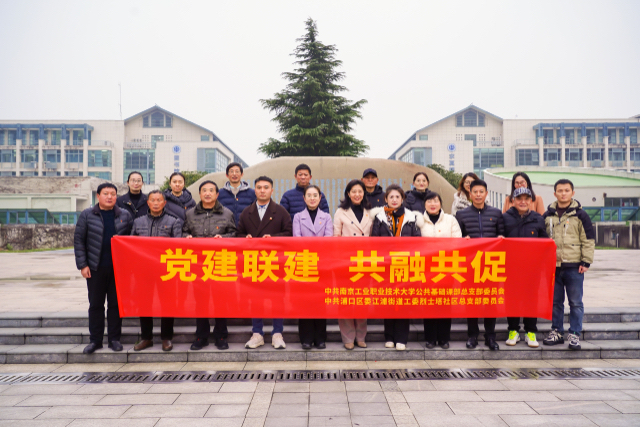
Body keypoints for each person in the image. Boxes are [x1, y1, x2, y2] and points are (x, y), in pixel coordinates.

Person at [74, 183, 133, 354]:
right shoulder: (87, 215)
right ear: (98, 196)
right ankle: (95, 340)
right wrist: (83, 265)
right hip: (95, 268)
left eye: (113, 194)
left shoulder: (124, 215)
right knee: (96, 305)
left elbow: (132, 240)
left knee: (115, 305)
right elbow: (79, 240)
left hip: (118, 269)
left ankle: (114, 339)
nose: (109, 197)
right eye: (105, 193)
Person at [237, 176, 293, 349]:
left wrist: (273, 238)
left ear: (272, 190)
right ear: (255, 190)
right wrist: (245, 237)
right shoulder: (247, 212)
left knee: (278, 298)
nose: (262, 190)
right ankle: (257, 333)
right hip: (254, 262)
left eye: (266, 187)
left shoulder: (281, 211)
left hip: (275, 262)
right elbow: (238, 234)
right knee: (255, 298)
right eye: (259, 187)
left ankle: (277, 333)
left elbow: (289, 234)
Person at [183, 180, 237, 351]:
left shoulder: (227, 213)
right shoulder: (190, 214)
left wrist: (224, 239)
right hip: (198, 265)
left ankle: (221, 335)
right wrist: (186, 237)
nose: (207, 193)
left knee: (221, 300)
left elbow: (234, 234)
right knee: (201, 301)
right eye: (204, 190)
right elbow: (184, 231)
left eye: (211, 190)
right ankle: (202, 336)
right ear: (200, 194)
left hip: (220, 263)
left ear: (217, 194)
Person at [542, 179, 595, 351]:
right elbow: (541, 239)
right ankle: (557, 332)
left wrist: (586, 261)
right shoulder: (547, 215)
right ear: (554, 193)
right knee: (555, 302)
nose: (563, 193)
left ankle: (574, 334)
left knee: (575, 303)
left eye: (566, 190)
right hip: (553, 266)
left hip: (574, 266)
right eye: (560, 190)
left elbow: (588, 239)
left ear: (573, 193)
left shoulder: (581, 215)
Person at [130, 190, 183, 352]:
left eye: (159, 200)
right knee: (144, 303)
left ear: (164, 203)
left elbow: (178, 246)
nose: (155, 203)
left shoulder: (173, 221)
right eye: (152, 200)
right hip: (144, 270)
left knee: (167, 303)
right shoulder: (138, 222)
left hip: (165, 270)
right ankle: (146, 338)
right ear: (148, 203)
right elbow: (131, 245)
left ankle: (166, 337)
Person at [455, 179, 505, 351]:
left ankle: (490, 336)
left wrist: (501, 238)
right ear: (470, 194)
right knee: (471, 301)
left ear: (486, 193)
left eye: (481, 192)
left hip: (491, 265)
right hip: (470, 265)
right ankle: (472, 336)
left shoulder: (496, 213)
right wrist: (463, 240)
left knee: (490, 301)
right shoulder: (461, 215)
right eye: (475, 192)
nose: (478, 195)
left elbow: (502, 235)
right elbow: (457, 239)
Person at [371, 185, 421, 351]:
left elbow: (417, 240)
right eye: (391, 197)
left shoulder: (411, 217)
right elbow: (374, 240)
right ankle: (389, 337)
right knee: (389, 301)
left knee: (403, 302)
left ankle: (401, 338)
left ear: (402, 199)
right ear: (385, 199)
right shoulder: (379, 217)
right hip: (386, 266)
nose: (394, 200)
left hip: (404, 265)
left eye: (397, 197)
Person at [503, 187, 549, 348]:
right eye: (519, 198)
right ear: (513, 201)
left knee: (531, 299)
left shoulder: (538, 219)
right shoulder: (505, 218)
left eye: (526, 198)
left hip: (532, 268)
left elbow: (545, 242)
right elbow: (499, 239)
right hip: (510, 268)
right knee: (512, 299)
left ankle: (531, 332)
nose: (523, 201)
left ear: (531, 201)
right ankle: (513, 330)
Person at [416, 192, 462, 349]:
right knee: (429, 304)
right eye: (429, 201)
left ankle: (444, 338)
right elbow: (415, 243)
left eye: (435, 201)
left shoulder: (450, 220)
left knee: (444, 303)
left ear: (440, 203)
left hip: (446, 267)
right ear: (424, 204)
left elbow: (457, 242)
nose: (432, 204)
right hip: (426, 269)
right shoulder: (418, 221)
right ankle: (430, 338)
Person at [333, 179, 374, 350]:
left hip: (365, 262)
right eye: (354, 191)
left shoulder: (370, 212)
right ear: (348, 194)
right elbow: (336, 237)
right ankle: (348, 337)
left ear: (364, 193)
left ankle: (361, 336)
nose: (357, 194)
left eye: (360, 191)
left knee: (362, 300)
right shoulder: (340, 212)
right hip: (346, 261)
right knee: (346, 299)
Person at [292, 185, 333, 350]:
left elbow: (328, 239)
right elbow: (297, 240)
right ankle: (306, 338)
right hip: (304, 264)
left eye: (315, 195)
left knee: (320, 302)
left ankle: (320, 338)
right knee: (305, 302)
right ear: (304, 198)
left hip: (322, 265)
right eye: (309, 195)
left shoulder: (327, 217)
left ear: (320, 197)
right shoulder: (297, 217)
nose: (312, 198)